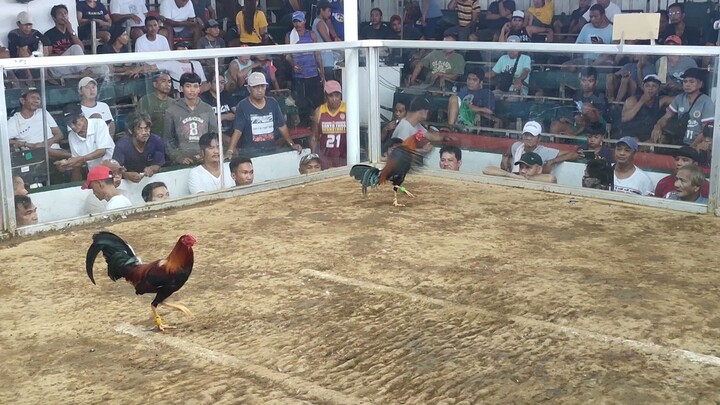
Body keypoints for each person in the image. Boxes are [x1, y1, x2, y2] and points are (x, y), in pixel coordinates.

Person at [227, 72, 302, 156]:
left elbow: (282, 126)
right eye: (255, 87)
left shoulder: (272, 102)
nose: (260, 90)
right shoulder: (243, 106)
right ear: (249, 89)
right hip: (250, 152)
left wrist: (292, 144)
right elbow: (238, 131)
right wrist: (230, 150)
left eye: (262, 86)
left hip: (271, 150)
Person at [163, 72, 218, 165]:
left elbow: (214, 135)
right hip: (182, 161)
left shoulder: (207, 109)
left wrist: (207, 154)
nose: (192, 90)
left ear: (199, 89)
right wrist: (178, 157)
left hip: (205, 159)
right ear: (181, 88)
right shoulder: (172, 111)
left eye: (195, 86)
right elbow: (168, 140)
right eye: (188, 86)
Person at [652, 68, 714, 146]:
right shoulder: (679, 98)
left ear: (700, 84)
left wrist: (692, 147)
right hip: (678, 141)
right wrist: (658, 126)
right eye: (685, 81)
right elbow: (666, 117)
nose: (687, 84)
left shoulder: (706, 102)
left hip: (696, 144)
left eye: (691, 81)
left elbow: (706, 131)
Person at [44, 4, 109, 79]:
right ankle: (82, 72)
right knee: (75, 48)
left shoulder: (70, 32)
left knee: (104, 68)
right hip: (58, 67)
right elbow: (48, 57)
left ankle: (82, 74)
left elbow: (81, 48)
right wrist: (68, 54)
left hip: (73, 66)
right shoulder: (49, 34)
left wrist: (71, 31)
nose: (63, 16)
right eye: (60, 14)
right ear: (54, 18)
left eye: (65, 13)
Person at [7, 88, 71, 161]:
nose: (36, 101)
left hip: (55, 149)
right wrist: (27, 144)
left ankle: (72, 157)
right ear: (23, 101)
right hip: (29, 155)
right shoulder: (15, 120)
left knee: (41, 149)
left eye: (38, 98)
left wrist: (45, 144)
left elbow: (59, 135)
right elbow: (5, 141)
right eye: (33, 97)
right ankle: (74, 156)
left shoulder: (43, 112)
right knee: (36, 151)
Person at [285, 11, 325, 124]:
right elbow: (287, 55)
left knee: (316, 102)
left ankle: (318, 124)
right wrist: (293, 64)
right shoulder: (289, 36)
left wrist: (321, 71)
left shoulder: (311, 34)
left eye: (299, 21)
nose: (297, 24)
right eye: (295, 21)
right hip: (299, 76)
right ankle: (305, 125)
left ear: (304, 22)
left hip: (313, 73)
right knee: (302, 103)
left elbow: (317, 54)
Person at [58, 104, 115, 181]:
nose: (72, 126)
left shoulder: (99, 123)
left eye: (74, 122)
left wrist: (78, 160)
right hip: (96, 175)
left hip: (113, 170)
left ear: (82, 117)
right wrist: (67, 165)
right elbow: (77, 165)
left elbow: (101, 151)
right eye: (68, 123)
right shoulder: (71, 136)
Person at [550, 67, 607, 137]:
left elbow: (599, 121)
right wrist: (568, 119)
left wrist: (576, 133)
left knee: (587, 107)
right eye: (584, 80)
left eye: (590, 81)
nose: (586, 84)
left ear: (596, 82)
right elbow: (575, 115)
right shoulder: (577, 95)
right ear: (580, 81)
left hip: (594, 128)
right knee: (555, 125)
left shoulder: (600, 97)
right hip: (578, 126)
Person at [113, 112, 165, 182]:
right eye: (140, 129)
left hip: (151, 180)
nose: (144, 133)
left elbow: (158, 163)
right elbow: (115, 168)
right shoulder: (122, 145)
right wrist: (126, 174)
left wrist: (152, 168)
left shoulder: (156, 141)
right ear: (131, 131)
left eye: (146, 128)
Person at [619, 74, 672, 142]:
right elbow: (624, 118)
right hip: (631, 133)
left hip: (648, 134)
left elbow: (679, 100)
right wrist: (641, 102)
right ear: (643, 87)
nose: (650, 88)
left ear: (659, 88)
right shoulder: (633, 100)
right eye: (647, 86)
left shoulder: (661, 100)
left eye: (654, 86)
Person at [311, 80, 347, 168]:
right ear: (326, 96)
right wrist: (313, 157)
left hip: (344, 158)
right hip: (326, 158)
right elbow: (314, 137)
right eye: (331, 96)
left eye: (337, 95)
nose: (334, 99)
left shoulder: (348, 109)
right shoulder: (319, 111)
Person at [7, 12, 50, 85]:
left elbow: (47, 41)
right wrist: (35, 39)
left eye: (30, 24)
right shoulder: (13, 33)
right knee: (23, 48)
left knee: (44, 47)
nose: (28, 27)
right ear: (18, 24)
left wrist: (32, 39)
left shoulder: (34, 32)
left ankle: (45, 74)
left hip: (33, 59)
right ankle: (29, 77)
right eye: (25, 24)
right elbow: (21, 43)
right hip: (17, 63)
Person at [201, 72, 237, 144]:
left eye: (222, 83)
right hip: (213, 132)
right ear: (210, 84)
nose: (220, 85)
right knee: (229, 141)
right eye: (216, 82)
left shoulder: (226, 95)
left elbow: (236, 110)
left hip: (230, 129)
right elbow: (204, 119)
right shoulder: (204, 98)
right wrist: (224, 116)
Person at [137, 71, 174, 136]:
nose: (167, 84)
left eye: (169, 82)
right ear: (155, 84)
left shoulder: (174, 103)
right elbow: (141, 121)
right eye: (163, 81)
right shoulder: (146, 100)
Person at [483, 152, 557, 183]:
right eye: (521, 167)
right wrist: (511, 175)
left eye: (528, 167)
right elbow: (486, 169)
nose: (523, 171)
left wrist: (526, 178)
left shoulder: (543, 179)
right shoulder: (516, 175)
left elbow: (551, 179)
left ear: (539, 169)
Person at [313, 0, 340, 80]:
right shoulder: (320, 23)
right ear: (321, 10)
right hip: (325, 60)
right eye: (328, 11)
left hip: (326, 59)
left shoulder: (322, 22)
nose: (330, 13)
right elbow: (328, 41)